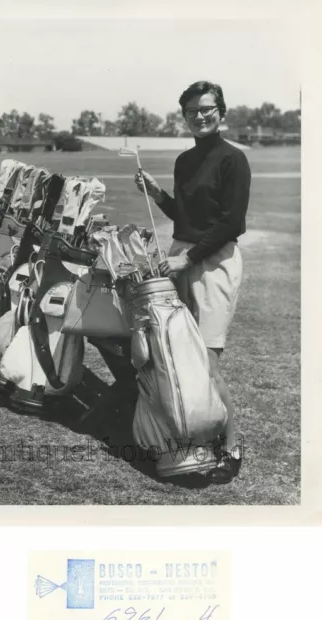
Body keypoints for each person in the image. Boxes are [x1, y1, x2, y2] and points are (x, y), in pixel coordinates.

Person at [134, 80, 251, 483]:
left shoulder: (233, 159)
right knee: (178, 356)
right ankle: (189, 440)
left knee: (208, 362)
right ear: (183, 116)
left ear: (222, 111)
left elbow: (232, 222)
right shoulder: (184, 161)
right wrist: (157, 195)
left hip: (212, 262)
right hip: (181, 257)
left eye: (207, 109)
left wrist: (189, 258)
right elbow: (184, 218)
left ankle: (231, 447)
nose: (200, 116)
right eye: (192, 111)